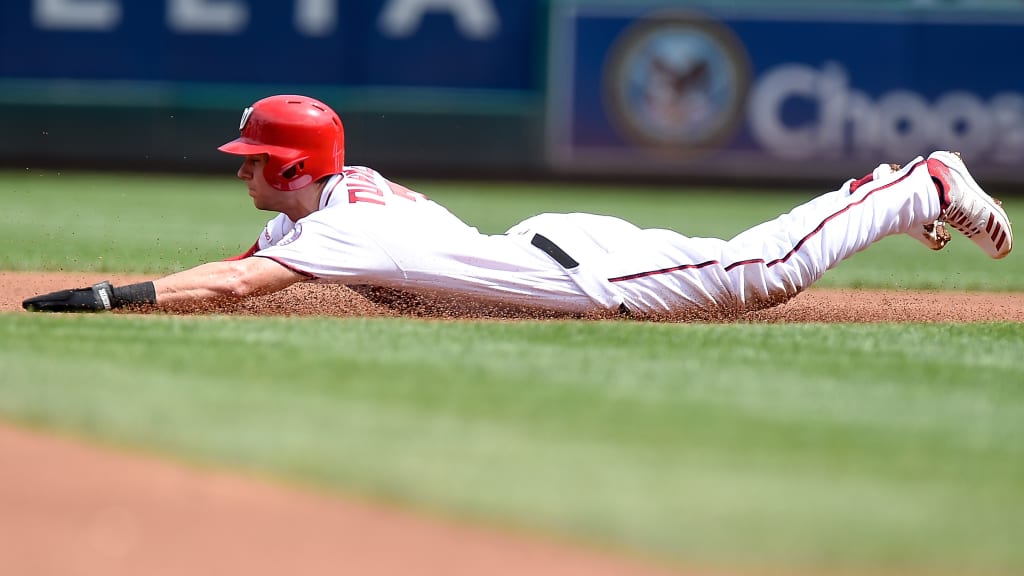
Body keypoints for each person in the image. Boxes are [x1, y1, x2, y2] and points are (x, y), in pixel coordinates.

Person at [22, 94, 1014, 319]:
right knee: (752, 267)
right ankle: (896, 200)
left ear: (293, 169)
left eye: (255, 161)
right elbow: (260, 252)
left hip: (583, 274)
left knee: (761, 275)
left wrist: (120, 296)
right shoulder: (324, 202)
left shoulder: (344, 220)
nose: (242, 170)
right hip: (548, 246)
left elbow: (238, 281)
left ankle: (915, 184)